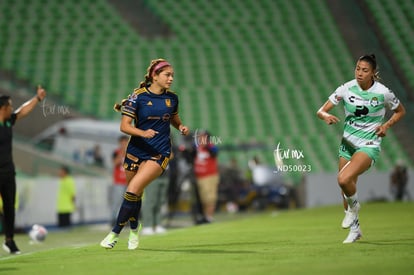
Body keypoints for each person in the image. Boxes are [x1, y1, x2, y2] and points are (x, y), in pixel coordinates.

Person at [100, 58, 189, 250]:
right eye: (167, 75)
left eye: (172, 75)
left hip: (160, 152)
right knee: (135, 194)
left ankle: (113, 233)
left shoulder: (172, 98)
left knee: (132, 190)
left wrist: (180, 126)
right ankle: (134, 230)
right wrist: (143, 133)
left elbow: (173, 118)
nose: (171, 78)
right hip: (136, 151)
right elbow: (124, 126)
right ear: (154, 76)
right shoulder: (137, 96)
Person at [317, 54, 406, 244]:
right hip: (348, 143)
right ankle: (355, 230)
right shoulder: (346, 88)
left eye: (365, 70)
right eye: (357, 68)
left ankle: (354, 208)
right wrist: (325, 116)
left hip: (369, 144)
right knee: (345, 187)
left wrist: (386, 126)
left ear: (373, 72)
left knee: (343, 178)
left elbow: (400, 111)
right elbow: (321, 110)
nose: (359, 73)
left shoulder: (383, 92)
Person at [0, 86, 46, 254]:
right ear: (3, 108)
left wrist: (37, 98)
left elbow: (22, 112)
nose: (12, 108)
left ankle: (9, 241)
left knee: (10, 207)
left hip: (8, 172)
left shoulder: (7, 121)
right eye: (10, 106)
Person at [194, 130, 220, 222]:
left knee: (210, 197)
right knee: (203, 198)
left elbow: (215, 152)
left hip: (210, 176)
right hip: (200, 176)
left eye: (202, 136)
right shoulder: (197, 147)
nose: (200, 138)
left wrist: (207, 146)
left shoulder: (211, 146)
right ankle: (205, 216)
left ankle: (209, 216)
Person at [141, 166, 169, 235]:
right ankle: (147, 225)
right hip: (151, 174)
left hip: (164, 174)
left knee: (160, 202)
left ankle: (157, 224)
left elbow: (171, 155)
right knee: (150, 201)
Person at [109, 135, 129, 225]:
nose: (124, 144)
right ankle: (113, 220)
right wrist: (122, 153)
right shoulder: (116, 152)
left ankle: (126, 220)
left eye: (126, 142)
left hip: (128, 181)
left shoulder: (131, 152)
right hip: (118, 182)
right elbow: (114, 163)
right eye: (123, 142)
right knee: (116, 201)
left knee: (128, 202)